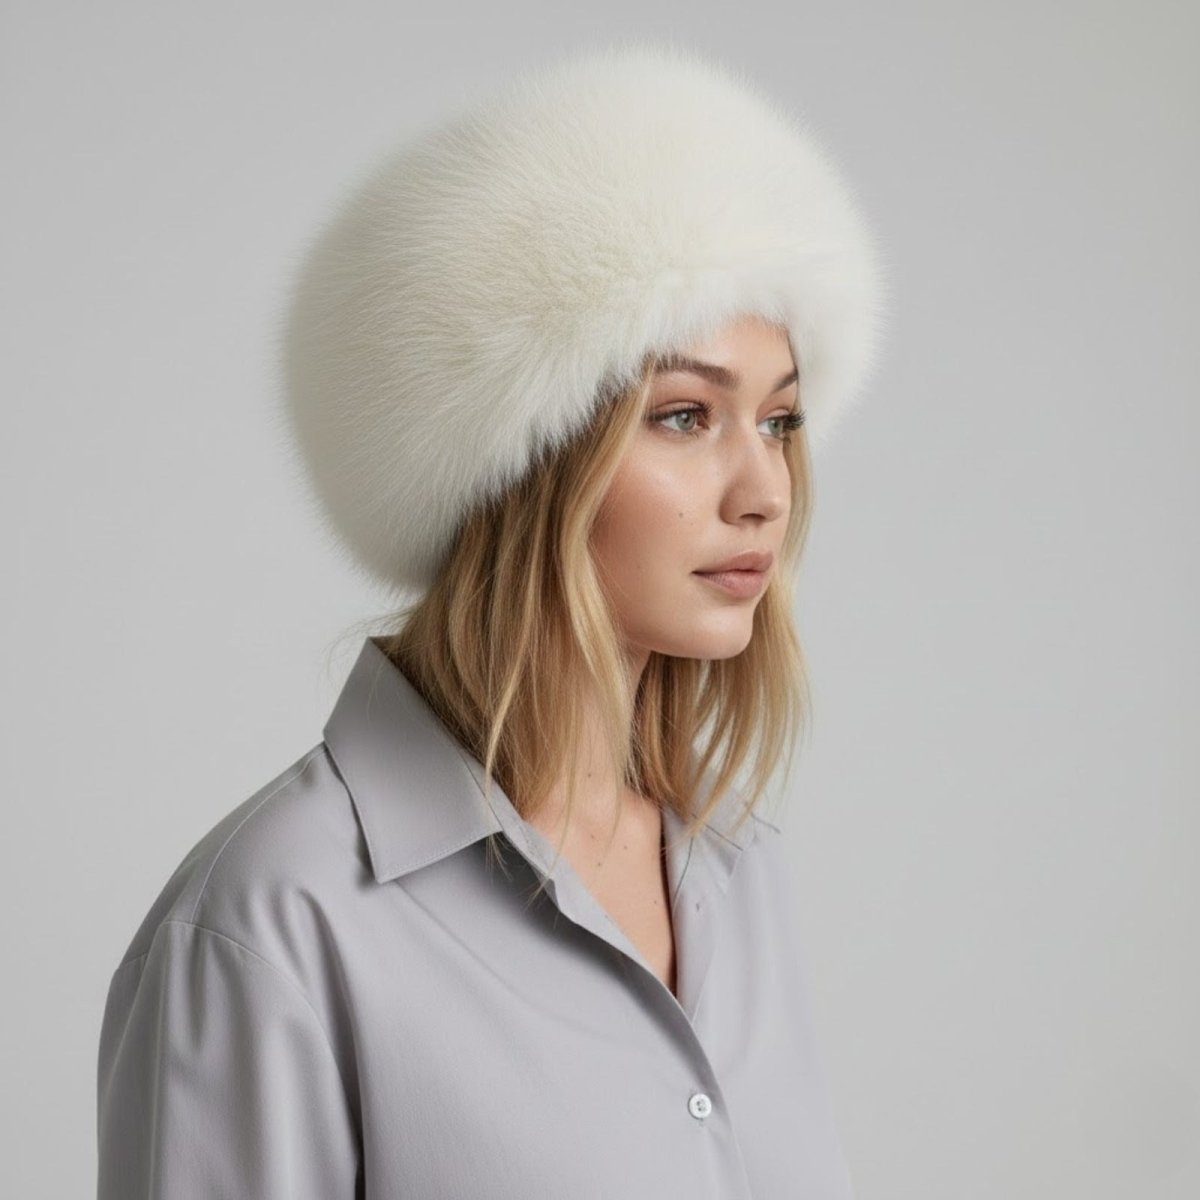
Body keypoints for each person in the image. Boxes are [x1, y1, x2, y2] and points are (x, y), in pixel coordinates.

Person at [96, 40, 885, 1199]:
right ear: (521, 461)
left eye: (778, 420)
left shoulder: (730, 869)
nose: (763, 489)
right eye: (681, 416)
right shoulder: (270, 925)